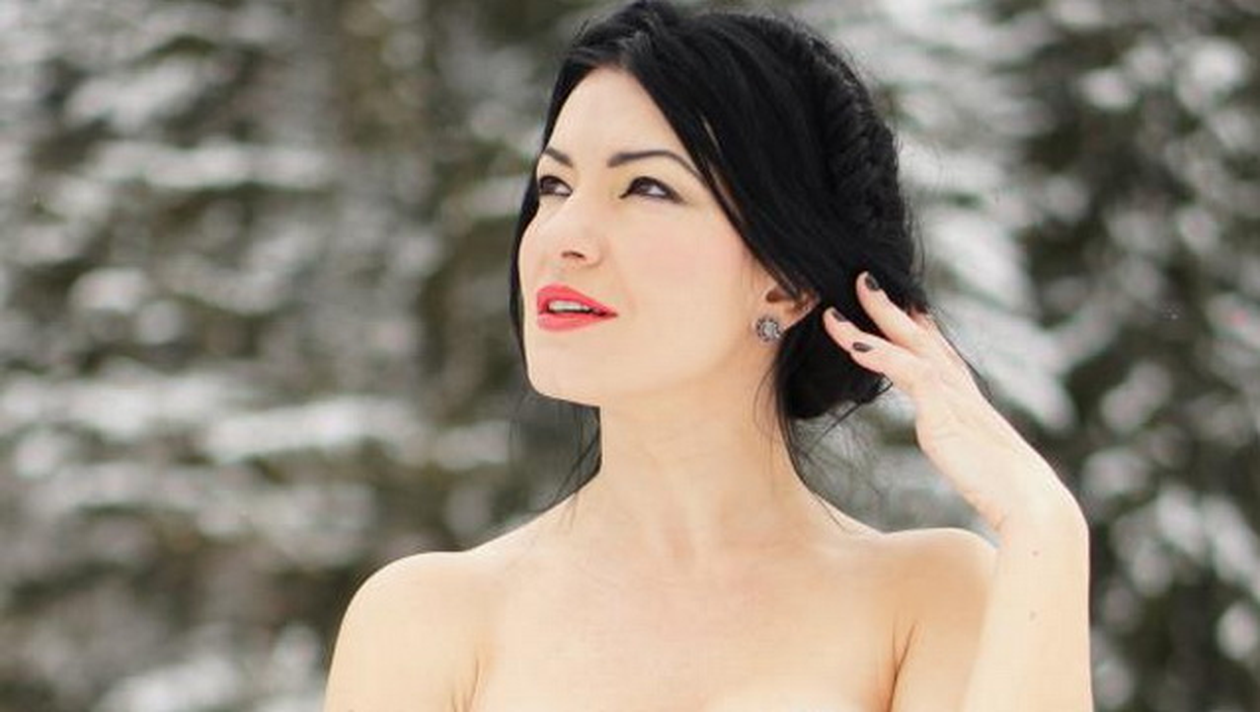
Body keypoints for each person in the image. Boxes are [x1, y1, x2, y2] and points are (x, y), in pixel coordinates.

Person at [322, 1, 1093, 710]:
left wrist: (1043, 521)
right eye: (554, 185)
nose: (561, 236)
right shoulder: (427, 621)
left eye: (647, 188)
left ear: (786, 282)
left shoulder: (926, 599)